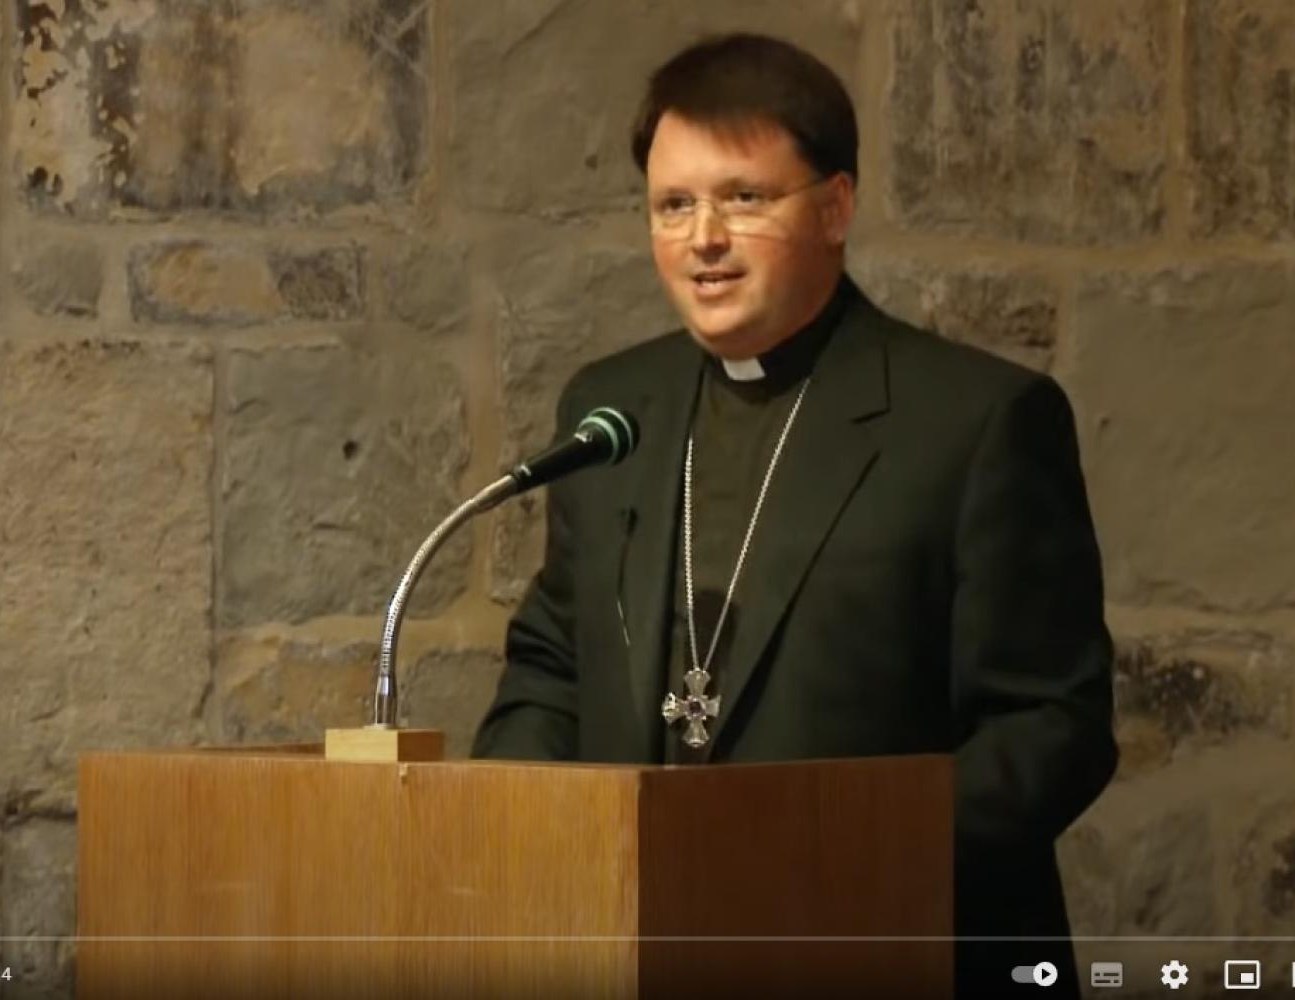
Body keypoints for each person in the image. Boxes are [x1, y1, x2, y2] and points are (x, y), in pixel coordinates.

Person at [472, 32, 1115, 998]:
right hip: (640, 954)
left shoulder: (977, 420)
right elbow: (553, 666)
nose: (704, 239)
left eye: (744, 198)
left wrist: (821, 854)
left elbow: (1050, 732)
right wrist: (531, 833)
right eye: (673, 205)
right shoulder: (613, 412)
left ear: (836, 206)